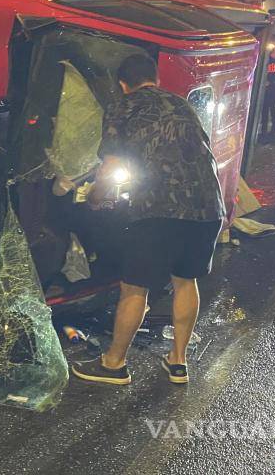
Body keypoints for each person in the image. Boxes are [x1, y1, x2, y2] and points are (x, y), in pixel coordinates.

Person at [70, 53, 225, 386]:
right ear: (155, 79)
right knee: (186, 281)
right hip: (208, 205)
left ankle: (113, 364)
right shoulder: (181, 104)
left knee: (134, 287)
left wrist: (95, 196)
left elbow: (111, 166)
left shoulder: (123, 107)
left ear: (123, 84)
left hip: (159, 208)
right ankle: (178, 362)